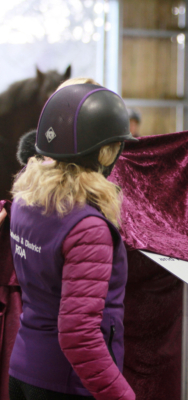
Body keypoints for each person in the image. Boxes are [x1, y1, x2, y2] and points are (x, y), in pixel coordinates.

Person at [8, 81, 137, 399]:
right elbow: (78, 335)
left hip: (23, 369)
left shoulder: (24, 201)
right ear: (105, 151)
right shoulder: (87, 227)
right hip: (66, 382)